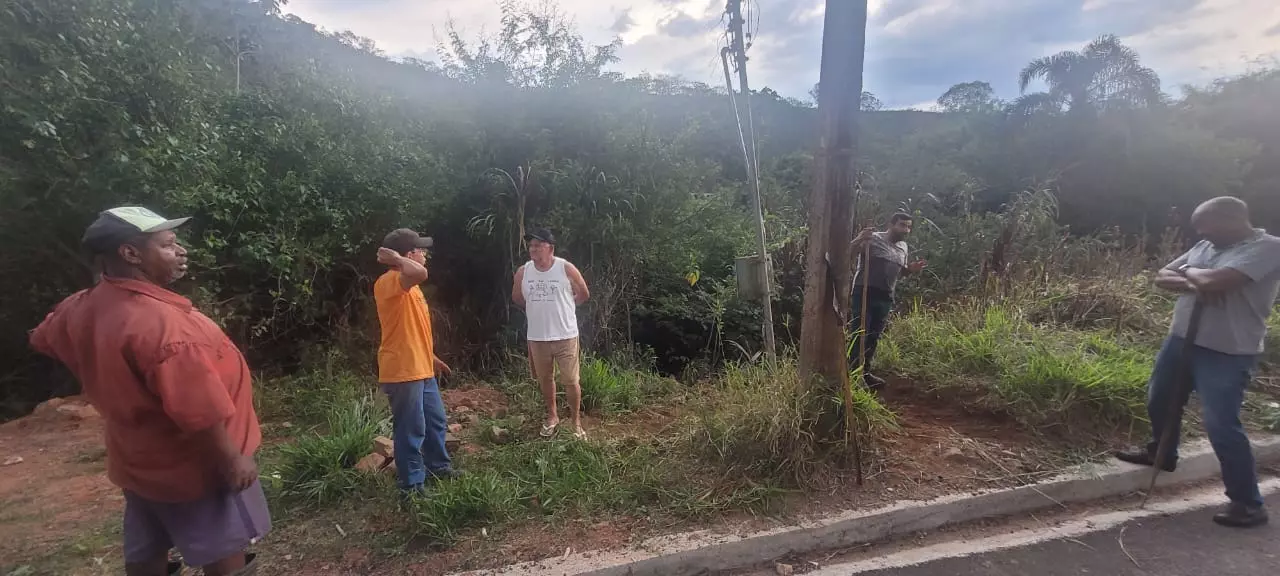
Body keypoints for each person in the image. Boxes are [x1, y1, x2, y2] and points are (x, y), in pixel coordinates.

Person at [29, 207, 269, 576]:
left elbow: (43, 338)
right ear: (131, 254)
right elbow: (199, 412)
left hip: (138, 460)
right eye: (169, 245)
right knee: (223, 547)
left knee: (149, 544)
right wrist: (232, 459)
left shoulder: (82, 305)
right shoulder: (161, 326)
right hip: (195, 466)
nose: (182, 251)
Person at [1116, 196, 1280, 528]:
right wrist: (1197, 276)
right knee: (1160, 399)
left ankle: (1248, 503)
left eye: (1205, 225)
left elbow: (1216, 282)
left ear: (1232, 220)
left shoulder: (1269, 248)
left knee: (1221, 424)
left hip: (1228, 350)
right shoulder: (1207, 245)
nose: (1200, 232)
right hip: (1181, 340)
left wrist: (1192, 275)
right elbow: (1162, 276)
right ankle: (1161, 454)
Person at [374, 228, 458, 495]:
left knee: (435, 421)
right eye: (421, 251)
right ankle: (411, 485)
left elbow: (410, 328)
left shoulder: (413, 288)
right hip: (402, 371)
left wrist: (431, 357)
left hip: (421, 368)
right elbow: (419, 272)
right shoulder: (390, 281)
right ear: (409, 254)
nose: (425, 256)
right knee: (411, 428)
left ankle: (438, 466)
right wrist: (396, 260)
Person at [511, 228, 590, 439]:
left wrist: (567, 307)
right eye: (531, 245)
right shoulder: (523, 272)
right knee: (545, 379)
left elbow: (583, 293)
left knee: (571, 381)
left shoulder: (566, 268)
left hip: (566, 335)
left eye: (538, 245)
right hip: (537, 337)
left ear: (551, 248)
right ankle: (552, 417)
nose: (533, 249)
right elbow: (517, 298)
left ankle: (575, 423)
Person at [849, 213, 926, 390]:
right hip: (865, 292)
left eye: (908, 227)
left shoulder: (903, 247)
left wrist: (910, 270)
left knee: (874, 337)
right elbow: (848, 254)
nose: (905, 230)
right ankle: (854, 376)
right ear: (891, 224)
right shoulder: (872, 239)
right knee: (860, 334)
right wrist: (859, 239)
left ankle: (865, 373)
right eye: (902, 225)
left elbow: (900, 272)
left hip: (886, 296)